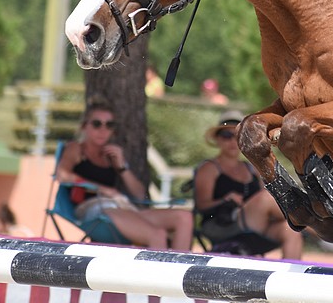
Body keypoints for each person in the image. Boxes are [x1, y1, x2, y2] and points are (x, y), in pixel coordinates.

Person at [56, 96, 193, 250]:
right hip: (95, 211)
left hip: (120, 207)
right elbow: (62, 175)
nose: (103, 130)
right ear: (84, 126)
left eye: (109, 125)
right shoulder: (76, 148)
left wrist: (122, 166)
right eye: (96, 124)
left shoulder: (111, 155)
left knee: (184, 217)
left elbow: (140, 194)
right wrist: (105, 189)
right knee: (157, 234)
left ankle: (182, 271)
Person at [194, 113, 304, 259]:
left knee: (292, 232)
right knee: (266, 198)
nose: (232, 141)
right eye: (227, 135)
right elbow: (201, 206)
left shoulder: (251, 168)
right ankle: (312, 221)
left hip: (255, 223)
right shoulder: (210, 168)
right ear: (218, 139)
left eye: (237, 136)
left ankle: (291, 280)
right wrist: (226, 200)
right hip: (222, 224)